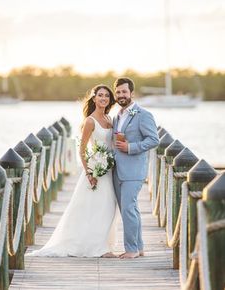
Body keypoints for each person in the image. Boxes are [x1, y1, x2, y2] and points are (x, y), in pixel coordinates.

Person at [27, 84, 117, 258]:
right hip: (95, 170)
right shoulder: (90, 121)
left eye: (106, 95)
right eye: (100, 95)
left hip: (109, 170)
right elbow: (82, 149)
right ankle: (97, 248)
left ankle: (103, 244)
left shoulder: (109, 118)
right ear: (94, 98)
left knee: (108, 207)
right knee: (93, 207)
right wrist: (90, 173)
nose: (103, 98)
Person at [113, 77, 159, 259]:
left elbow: (154, 140)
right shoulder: (117, 115)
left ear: (132, 93)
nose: (121, 95)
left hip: (133, 170)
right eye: (118, 92)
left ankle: (131, 249)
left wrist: (131, 147)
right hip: (117, 169)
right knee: (131, 208)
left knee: (128, 209)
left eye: (124, 91)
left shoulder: (143, 114)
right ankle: (139, 247)